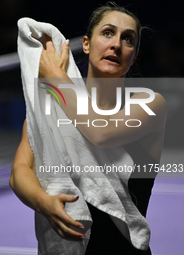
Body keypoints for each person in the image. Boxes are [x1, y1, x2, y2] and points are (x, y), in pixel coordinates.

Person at [9, 2, 167, 255]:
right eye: (107, 33)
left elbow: (101, 132)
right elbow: (19, 172)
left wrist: (54, 76)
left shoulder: (150, 103)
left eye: (128, 39)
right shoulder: (50, 106)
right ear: (86, 44)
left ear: (134, 55)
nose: (116, 44)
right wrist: (44, 202)